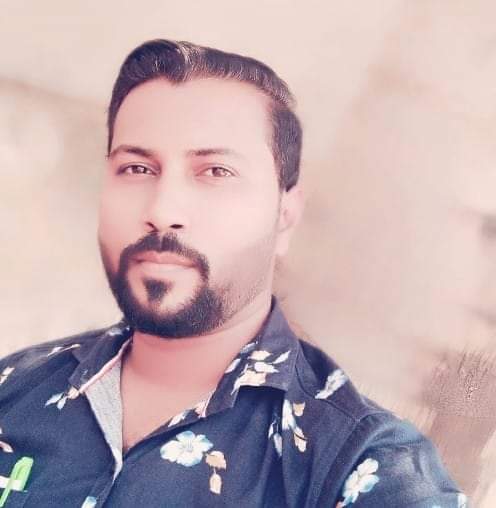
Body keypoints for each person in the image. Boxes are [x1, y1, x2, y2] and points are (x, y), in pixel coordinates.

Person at [0, 39, 465, 507]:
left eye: (215, 172)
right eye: (137, 168)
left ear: (284, 216)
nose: (162, 210)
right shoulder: (14, 384)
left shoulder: (364, 466)